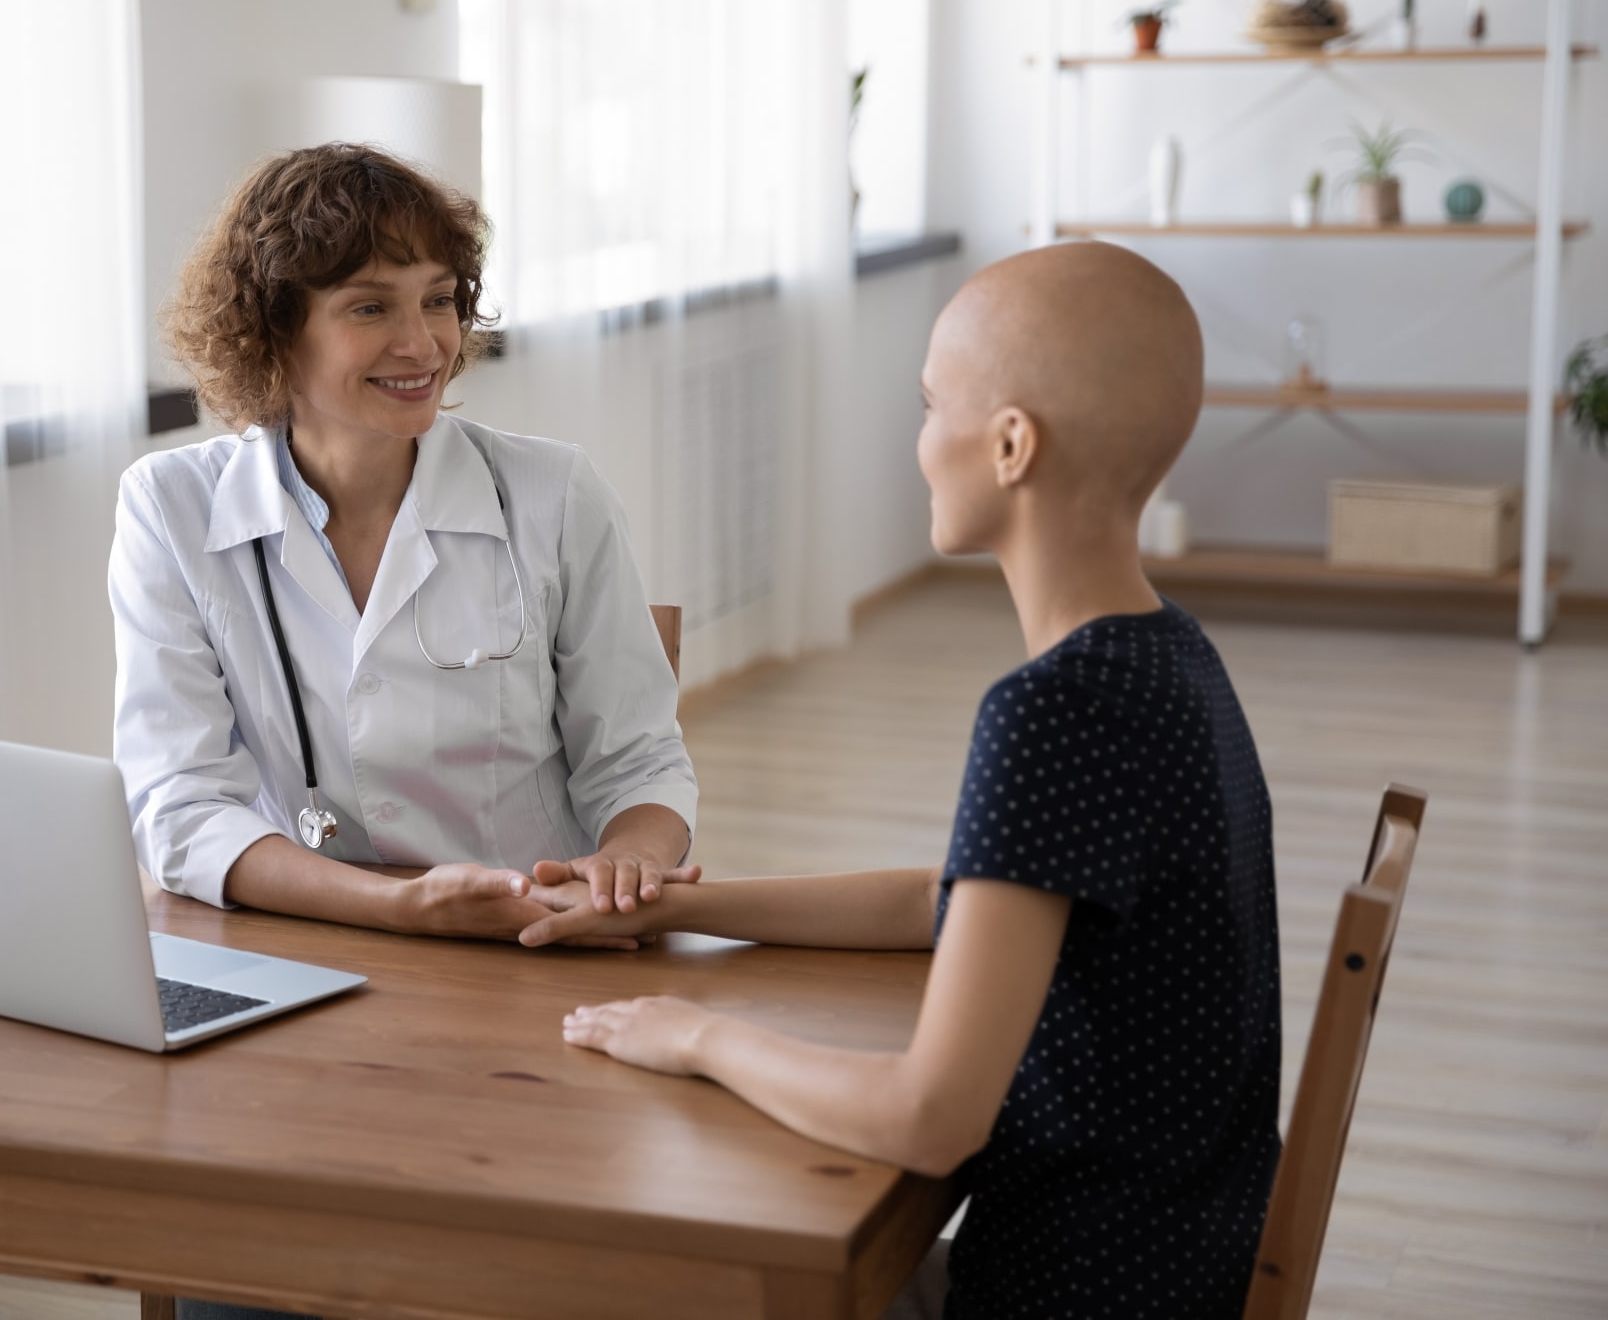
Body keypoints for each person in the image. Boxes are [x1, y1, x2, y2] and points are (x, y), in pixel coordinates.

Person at [532, 242, 1282, 1319]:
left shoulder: (1052, 711)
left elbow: (929, 1120)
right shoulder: (1168, 656)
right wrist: (677, 907)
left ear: (1010, 445)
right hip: (1164, 1271)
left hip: (1055, 1294)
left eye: (932, 407)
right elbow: (954, 900)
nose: (919, 442)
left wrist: (693, 1034)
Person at [110, 143, 698, 944]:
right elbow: (179, 805)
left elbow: (637, 760)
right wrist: (396, 906)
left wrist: (629, 862)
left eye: (439, 300)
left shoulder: (555, 495)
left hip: (537, 942)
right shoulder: (171, 508)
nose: (423, 344)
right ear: (272, 331)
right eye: (370, 307)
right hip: (306, 937)